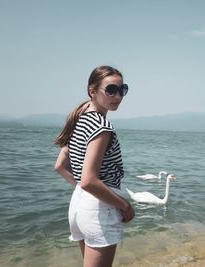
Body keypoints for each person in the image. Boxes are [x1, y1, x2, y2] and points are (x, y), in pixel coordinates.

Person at [54, 65, 135, 267]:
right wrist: (124, 205)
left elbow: (60, 166)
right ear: (92, 91)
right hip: (99, 209)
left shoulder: (80, 119)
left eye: (122, 90)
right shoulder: (102, 126)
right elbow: (90, 180)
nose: (117, 96)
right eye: (111, 90)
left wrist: (82, 188)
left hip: (79, 206)